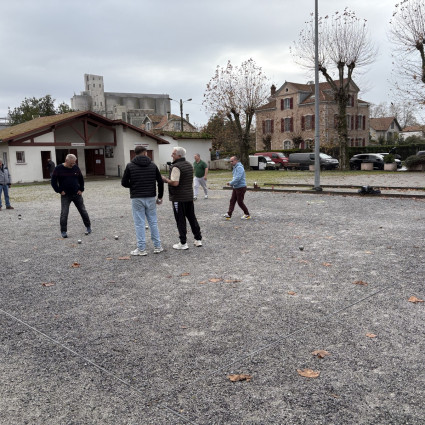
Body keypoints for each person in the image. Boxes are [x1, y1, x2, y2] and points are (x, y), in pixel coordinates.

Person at [121, 146, 164, 256]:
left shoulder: (130, 166)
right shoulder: (153, 165)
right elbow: (160, 181)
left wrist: (134, 186)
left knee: (139, 223)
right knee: (153, 222)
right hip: (150, 196)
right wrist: (160, 196)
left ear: (135, 153)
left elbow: (124, 182)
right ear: (145, 153)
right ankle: (157, 246)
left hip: (137, 197)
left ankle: (141, 249)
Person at [162, 147, 202, 250]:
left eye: (173, 154)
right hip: (188, 196)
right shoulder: (189, 164)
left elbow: (175, 183)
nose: (171, 155)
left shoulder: (176, 167)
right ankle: (198, 239)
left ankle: (183, 242)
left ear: (179, 155)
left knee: (180, 220)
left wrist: (165, 180)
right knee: (192, 218)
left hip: (178, 197)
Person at [51, 154, 91, 238]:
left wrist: (81, 189)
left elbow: (81, 179)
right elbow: (53, 182)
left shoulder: (76, 167)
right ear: (66, 161)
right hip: (65, 195)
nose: (73, 164)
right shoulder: (58, 168)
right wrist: (59, 191)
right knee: (64, 213)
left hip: (77, 194)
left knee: (83, 211)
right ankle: (63, 231)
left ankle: (88, 227)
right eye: (71, 163)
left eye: (74, 163)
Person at [223, 156, 251, 220]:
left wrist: (231, 183)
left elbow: (238, 178)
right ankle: (229, 214)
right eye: (230, 161)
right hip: (236, 187)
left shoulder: (239, 167)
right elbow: (235, 177)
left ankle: (247, 214)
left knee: (240, 202)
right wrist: (232, 183)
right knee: (232, 201)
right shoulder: (235, 167)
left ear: (236, 161)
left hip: (241, 187)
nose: (231, 162)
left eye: (232, 161)